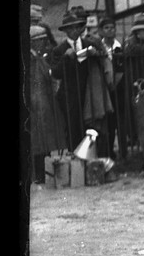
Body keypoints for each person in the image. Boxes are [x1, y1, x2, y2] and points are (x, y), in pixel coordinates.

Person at [48, 11, 114, 156]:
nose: (74, 31)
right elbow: (56, 72)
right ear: (65, 31)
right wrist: (66, 58)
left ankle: (93, 162)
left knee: (91, 129)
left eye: (76, 27)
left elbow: (103, 63)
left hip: (89, 94)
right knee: (73, 131)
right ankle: (77, 166)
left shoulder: (89, 44)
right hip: (70, 96)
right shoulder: (59, 49)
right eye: (70, 28)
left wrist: (95, 55)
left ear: (80, 28)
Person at [28, 25, 68, 183]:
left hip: (43, 101)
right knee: (38, 138)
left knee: (44, 138)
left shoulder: (38, 58)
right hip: (36, 102)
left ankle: (43, 172)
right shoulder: (31, 59)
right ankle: (38, 174)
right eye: (40, 41)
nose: (43, 43)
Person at [97, 17, 126, 159]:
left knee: (118, 121)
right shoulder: (99, 47)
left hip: (117, 90)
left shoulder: (119, 47)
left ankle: (122, 152)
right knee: (106, 122)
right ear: (101, 31)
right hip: (103, 89)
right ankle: (107, 151)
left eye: (112, 28)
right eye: (106, 28)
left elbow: (121, 70)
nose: (110, 30)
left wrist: (113, 85)